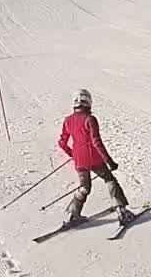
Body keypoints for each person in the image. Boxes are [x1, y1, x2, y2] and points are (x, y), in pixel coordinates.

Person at [57, 89, 133, 226]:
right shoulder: (89, 119)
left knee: (84, 187)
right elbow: (96, 142)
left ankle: (73, 214)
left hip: (79, 160)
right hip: (94, 159)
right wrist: (109, 161)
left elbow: (62, 142)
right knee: (110, 180)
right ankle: (121, 210)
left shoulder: (68, 120)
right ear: (89, 102)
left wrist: (72, 154)